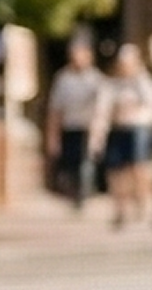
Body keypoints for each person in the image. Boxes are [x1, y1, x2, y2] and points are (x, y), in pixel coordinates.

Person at [102, 42, 152, 229]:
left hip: (138, 128)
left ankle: (144, 206)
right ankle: (120, 210)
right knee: (116, 171)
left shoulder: (143, 83)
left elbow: (151, 108)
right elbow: (105, 106)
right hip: (117, 128)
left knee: (138, 169)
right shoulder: (114, 84)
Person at [44, 36, 109, 213]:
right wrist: (52, 136)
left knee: (85, 164)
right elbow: (55, 109)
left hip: (87, 127)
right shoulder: (63, 79)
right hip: (69, 126)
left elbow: (102, 108)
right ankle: (72, 195)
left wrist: (98, 131)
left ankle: (83, 195)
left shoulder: (96, 79)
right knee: (69, 164)